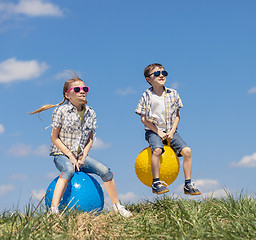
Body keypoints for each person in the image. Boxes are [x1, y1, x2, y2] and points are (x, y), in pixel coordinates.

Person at [30, 73, 132, 217]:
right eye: (77, 90)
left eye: (85, 88)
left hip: (80, 156)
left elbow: (90, 138)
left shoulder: (91, 113)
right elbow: (54, 138)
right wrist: (70, 155)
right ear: (67, 95)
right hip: (61, 155)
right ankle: (53, 210)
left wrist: (83, 155)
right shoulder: (60, 111)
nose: (82, 91)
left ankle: (117, 206)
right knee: (69, 170)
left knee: (105, 171)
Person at [135, 63, 201, 195]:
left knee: (187, 151)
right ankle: (156, 182)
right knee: (158, 150)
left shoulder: (173, 94)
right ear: (148, 79)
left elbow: (177, 115)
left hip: (171, 131)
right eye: (157, 73)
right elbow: (143, 119)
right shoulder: (146, 96)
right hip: (153, 131)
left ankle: (188, 184)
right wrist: (158, 132)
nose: (161, 76)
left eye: (163, 73)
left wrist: (171, 132)